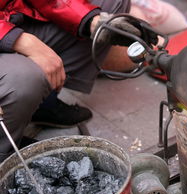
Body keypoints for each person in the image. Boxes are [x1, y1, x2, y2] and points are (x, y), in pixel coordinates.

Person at [0, 0, 157, 163]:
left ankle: (41, 103)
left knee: (111, 6)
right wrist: (22, 41)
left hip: (11, 18)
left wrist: (89, 20)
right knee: (24, 78)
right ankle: (4, 153)